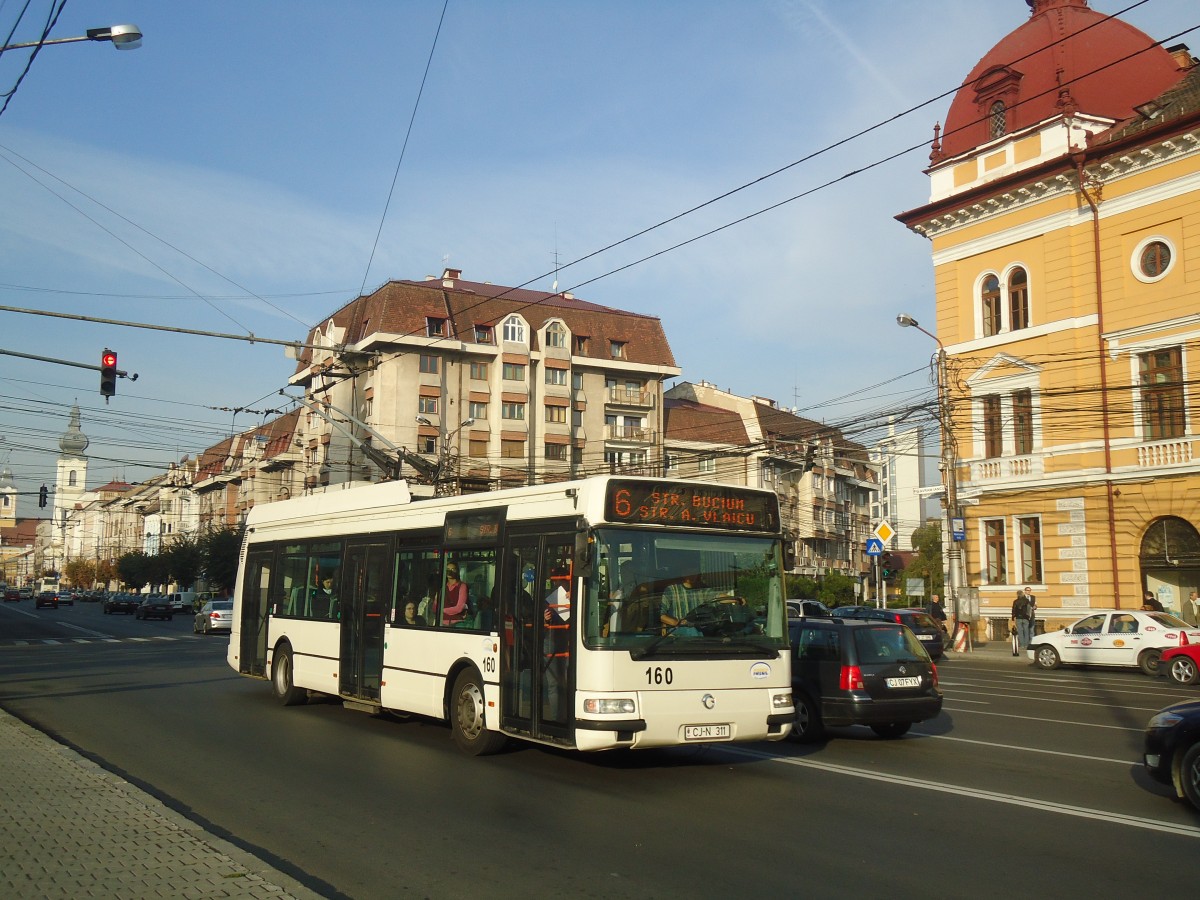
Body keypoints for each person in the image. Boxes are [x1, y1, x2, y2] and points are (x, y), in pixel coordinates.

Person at [1011, 586, 1036, 656]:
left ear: (1017, 595)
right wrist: (1028, 616)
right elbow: (1028, 609)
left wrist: (1013, 617)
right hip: (1025, 618)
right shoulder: (1026, 601)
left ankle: (1022, 644)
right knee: (1026, 631)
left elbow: (1013, 610)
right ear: (1023, 594)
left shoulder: (1015, 601)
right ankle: (1026, 644)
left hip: (1018, 618)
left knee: (1020, 631)